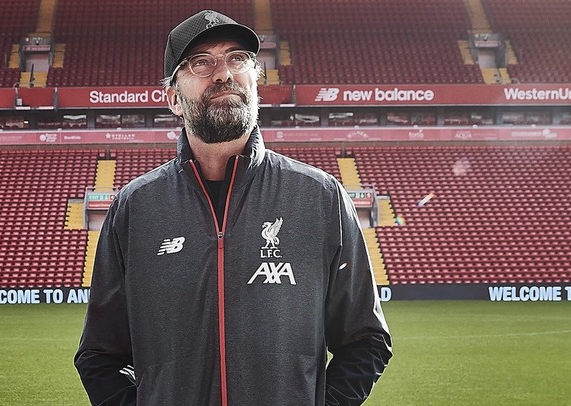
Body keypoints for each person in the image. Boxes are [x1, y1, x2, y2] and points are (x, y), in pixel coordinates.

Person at [74, 9, 392, 406]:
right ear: (173, 99)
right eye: (201, 63)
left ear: (255, 81)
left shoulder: (320, 197)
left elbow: (366, 340)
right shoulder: (135, 207)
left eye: (237, 59)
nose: (223, 73)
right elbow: (99, 356)